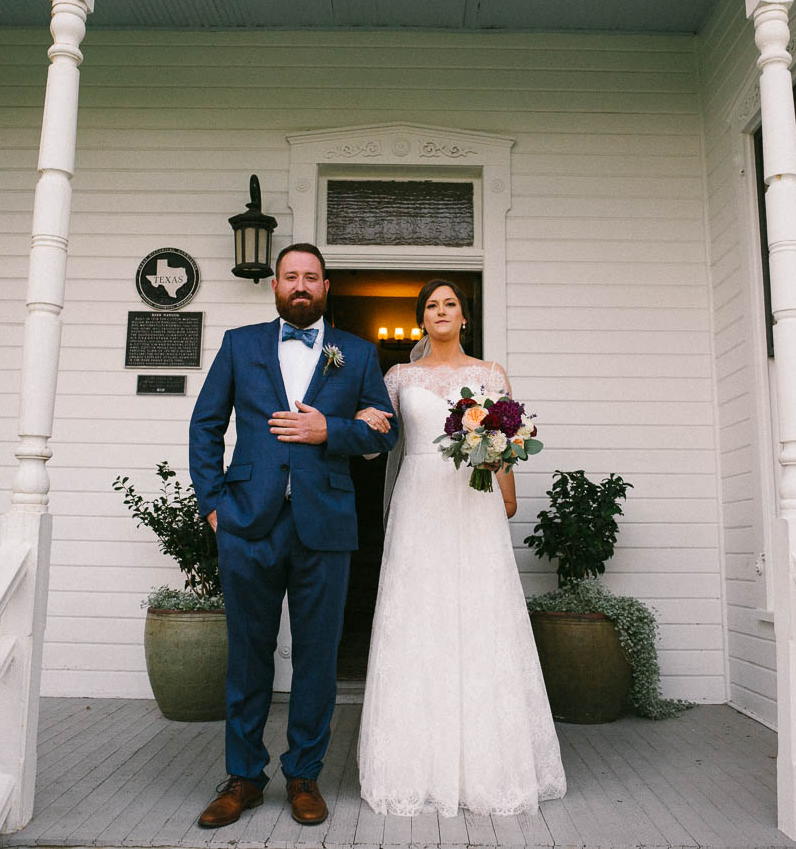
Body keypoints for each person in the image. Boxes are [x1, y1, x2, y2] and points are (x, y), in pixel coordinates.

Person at [188, 243, 398, 829]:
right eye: (290, 277)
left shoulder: (355, 354)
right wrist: (214, 507)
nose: (300, 285)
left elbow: (386, 431)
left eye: (311, 277)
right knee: (248, 656)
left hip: (325, 525)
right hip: (248, 523)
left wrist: (328, 428)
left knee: (316, 657)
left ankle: (304, 774)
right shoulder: (240, 344)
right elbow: (206, 424)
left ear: (327, 288)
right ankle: (243, 777)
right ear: (275, 286)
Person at [352, 278, 566, 816]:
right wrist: (362, 420)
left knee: (480, 619)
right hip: (419, 502)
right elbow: (378, 439)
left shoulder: (490, 375)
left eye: (450, 304)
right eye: (431, 305)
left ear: (464, 317)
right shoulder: (399, 376)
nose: (440, 311)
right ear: (421, 319)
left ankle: (488, 767)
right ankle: (414, 766)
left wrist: (504, 489)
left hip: (475, 507)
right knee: (420, 620)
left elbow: (506, 450)